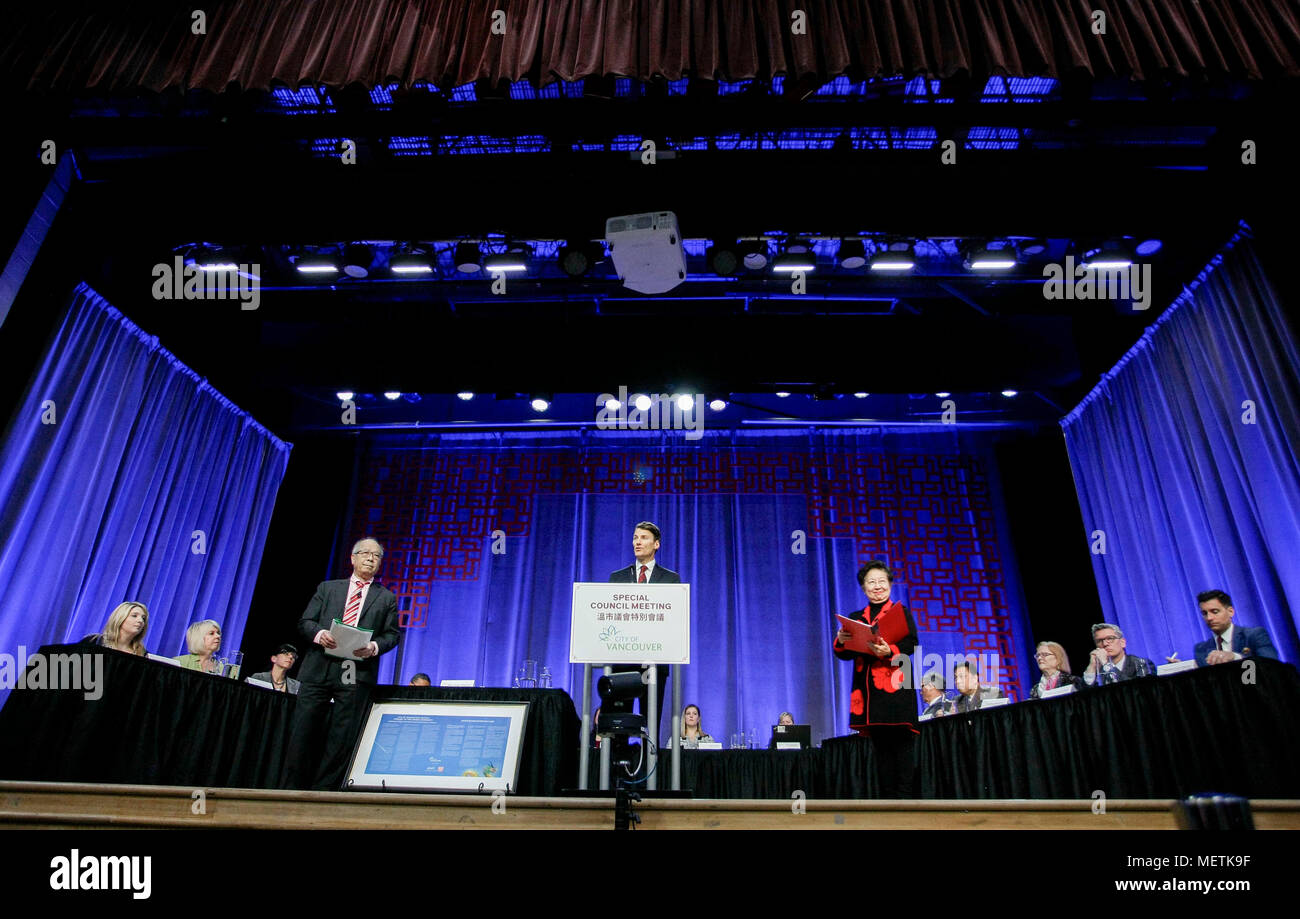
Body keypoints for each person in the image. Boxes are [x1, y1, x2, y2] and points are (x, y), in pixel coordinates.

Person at [283, 537, 402, 790]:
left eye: (377, 556)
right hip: (319, 666)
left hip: (355, 671)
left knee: (342, 735)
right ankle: (292, 789)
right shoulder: (328, 588)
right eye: (366, 553)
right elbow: (305, 622)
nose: (371, 558)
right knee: (303, 731)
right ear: (353, 558)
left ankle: (324, 792)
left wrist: (373, 647)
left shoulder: (386, 597)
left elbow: (392, 635)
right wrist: (319, 634)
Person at [832, 560, 919, 797]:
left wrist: (890, 650)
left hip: (897, 690)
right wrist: (842, 639)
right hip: (870, 696)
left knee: (902, 749)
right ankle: (888, 805)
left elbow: (912, 644)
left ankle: (905, 804)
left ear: (890, 584)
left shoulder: (901, 613)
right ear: (863, 587)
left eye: (882, 581)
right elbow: (843, 654)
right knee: (881, 751)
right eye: (871, 582)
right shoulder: (856, 617)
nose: (877, 586)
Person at [607, 521, 680, 745]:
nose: (637, 542)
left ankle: (651, 773)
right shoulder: (617, 578)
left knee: (651, 725)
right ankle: (618, 776)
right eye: (635, 537)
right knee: (620, 725)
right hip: (622, 664)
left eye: (644, 538)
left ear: (656, 544)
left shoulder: (671, 579)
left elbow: (673, 620)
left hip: (655, 662)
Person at [1187, 589, 1278, 667]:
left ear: (1230, 611)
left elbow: (1271, 666)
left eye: (1215, 612)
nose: (1209, 618)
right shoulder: (1201, 649)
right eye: (1204, 613)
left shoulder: (1254, 635)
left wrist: (1236, 657)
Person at [1082, 622, 1156, 685]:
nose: (1104, 644)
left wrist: (1106, 664)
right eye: (1099, 641)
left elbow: (1136, 690)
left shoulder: (1140, 663)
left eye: (1110, 638)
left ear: (1122, 642)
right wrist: (1092, 666)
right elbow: (1084, 695)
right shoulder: (1098, 671)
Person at [82, 601, 149, 656]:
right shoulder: (94, 641)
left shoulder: (143, 654)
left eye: (143, 618)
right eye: (134, 616)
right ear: (120, 618)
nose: (141, 621)